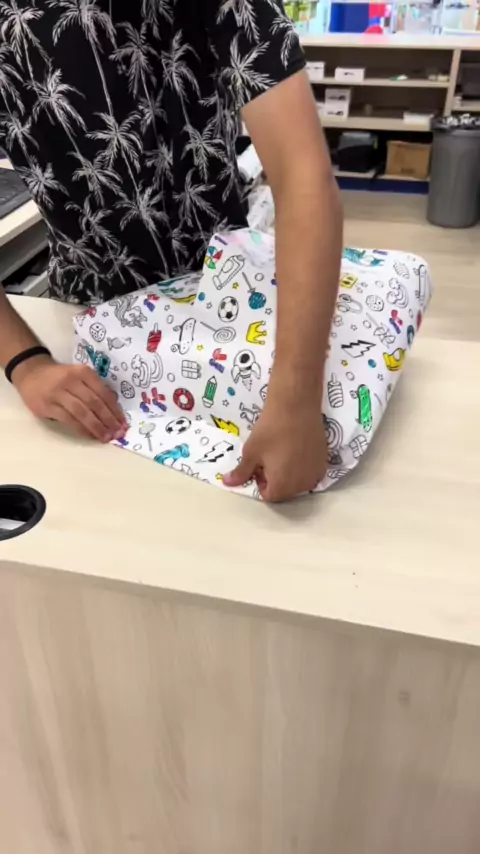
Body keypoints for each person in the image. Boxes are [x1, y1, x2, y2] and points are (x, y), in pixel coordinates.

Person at [0, 0, 342, 502]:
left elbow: (302, 176)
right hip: (89, 320)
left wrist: (295, 395)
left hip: (233, 301)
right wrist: (24, 361)